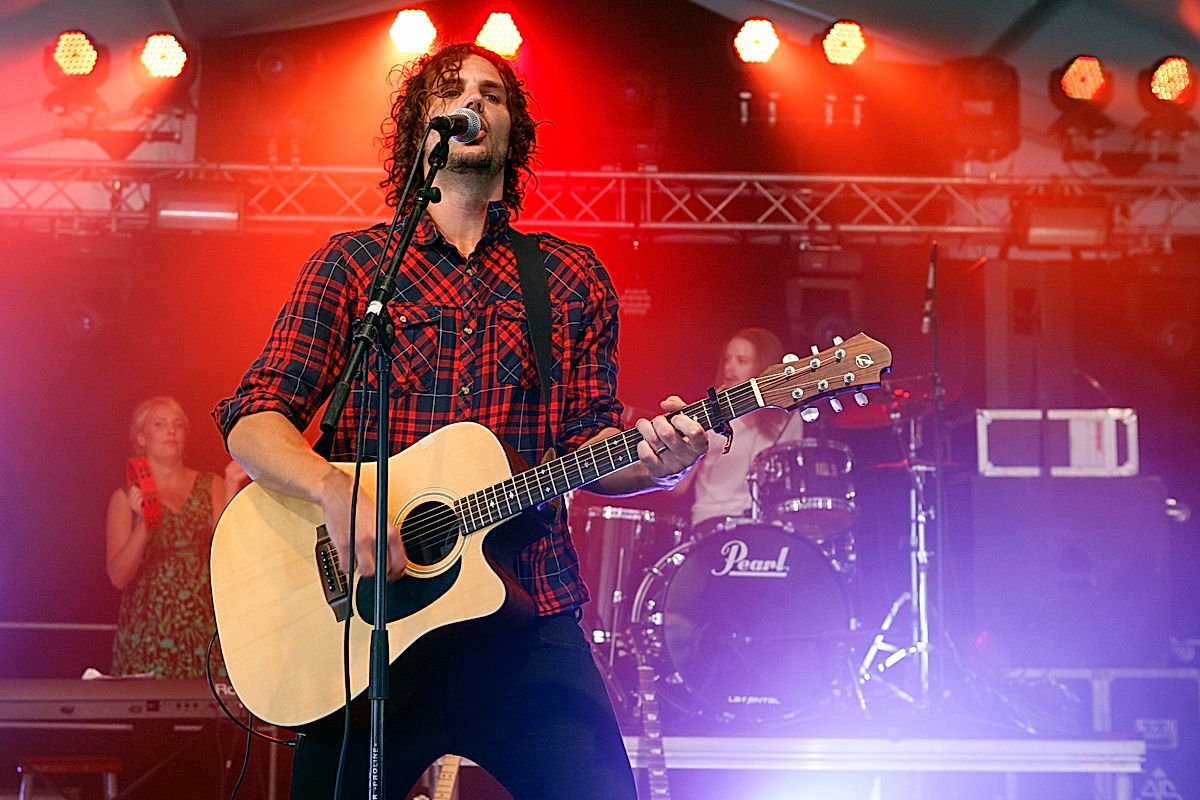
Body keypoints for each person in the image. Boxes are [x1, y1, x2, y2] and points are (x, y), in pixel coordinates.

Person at [212, 43, 707, 800]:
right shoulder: (353, 267)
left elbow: (591, 445)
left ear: (512, 131)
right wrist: (331, 490)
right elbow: (253, 416)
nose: (474, 101)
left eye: (494, 94)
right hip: (369, 629)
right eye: (454, 91)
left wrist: (660, 460)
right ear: (423, 129)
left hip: (525, 618)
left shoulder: (570, 278)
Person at [107, 396, 244, 679]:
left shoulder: (211, 485)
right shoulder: (123, 498)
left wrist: (231, 487)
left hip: (203, 624)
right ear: (141, 437)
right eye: (160, 424)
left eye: (178, 424)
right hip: (148, 631)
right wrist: (144, 522)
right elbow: (118, 577)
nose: (171, 430)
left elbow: (228, 556)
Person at [676, 327, 803, 533]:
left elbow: (793, 482)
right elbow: (677, 487)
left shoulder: (786, 417)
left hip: (767, 524)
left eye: (741, 361)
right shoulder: (708, 412)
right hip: (712, 521)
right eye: (727, 359)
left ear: (763, 368)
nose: (729, 368)